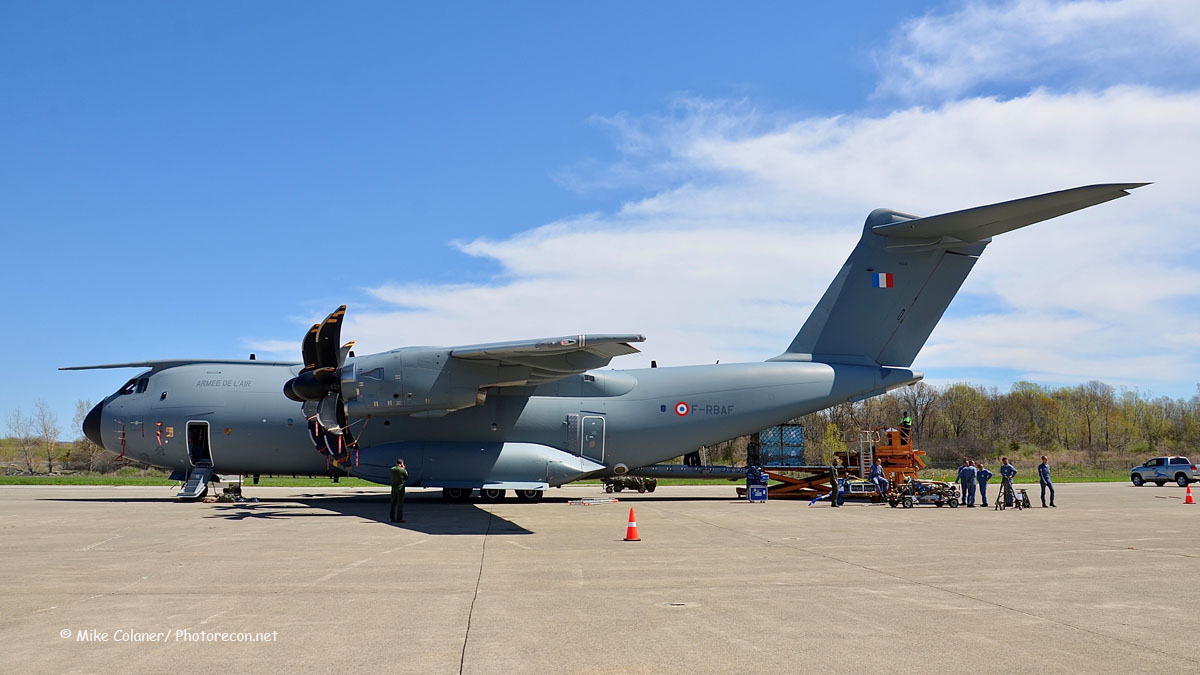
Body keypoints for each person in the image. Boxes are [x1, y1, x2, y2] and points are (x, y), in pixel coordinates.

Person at [390, 458, 408, 522]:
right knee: (400, 503)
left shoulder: (392, 469)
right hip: (400, 488)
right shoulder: (402, 470)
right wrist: (404, 469)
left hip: (394, 487)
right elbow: (406, 477)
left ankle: (392, 517)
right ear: (401, 464)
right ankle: (399, 518)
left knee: (393, 503)